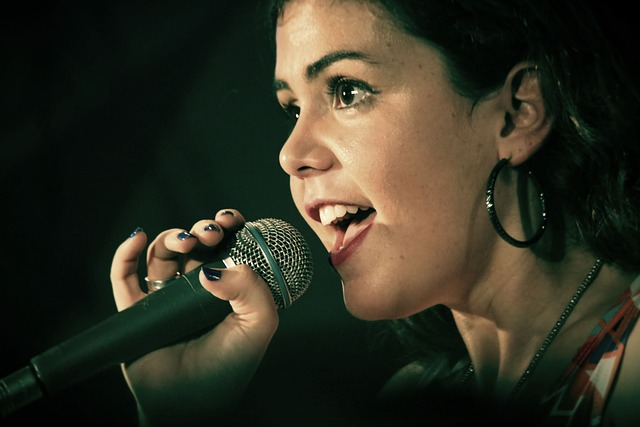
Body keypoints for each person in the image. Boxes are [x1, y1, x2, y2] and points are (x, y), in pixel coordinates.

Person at [109, 0, 640, 425]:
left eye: (347, 90)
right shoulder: (417, 393)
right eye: (293, 108)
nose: (290, 155)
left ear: (517, 113)